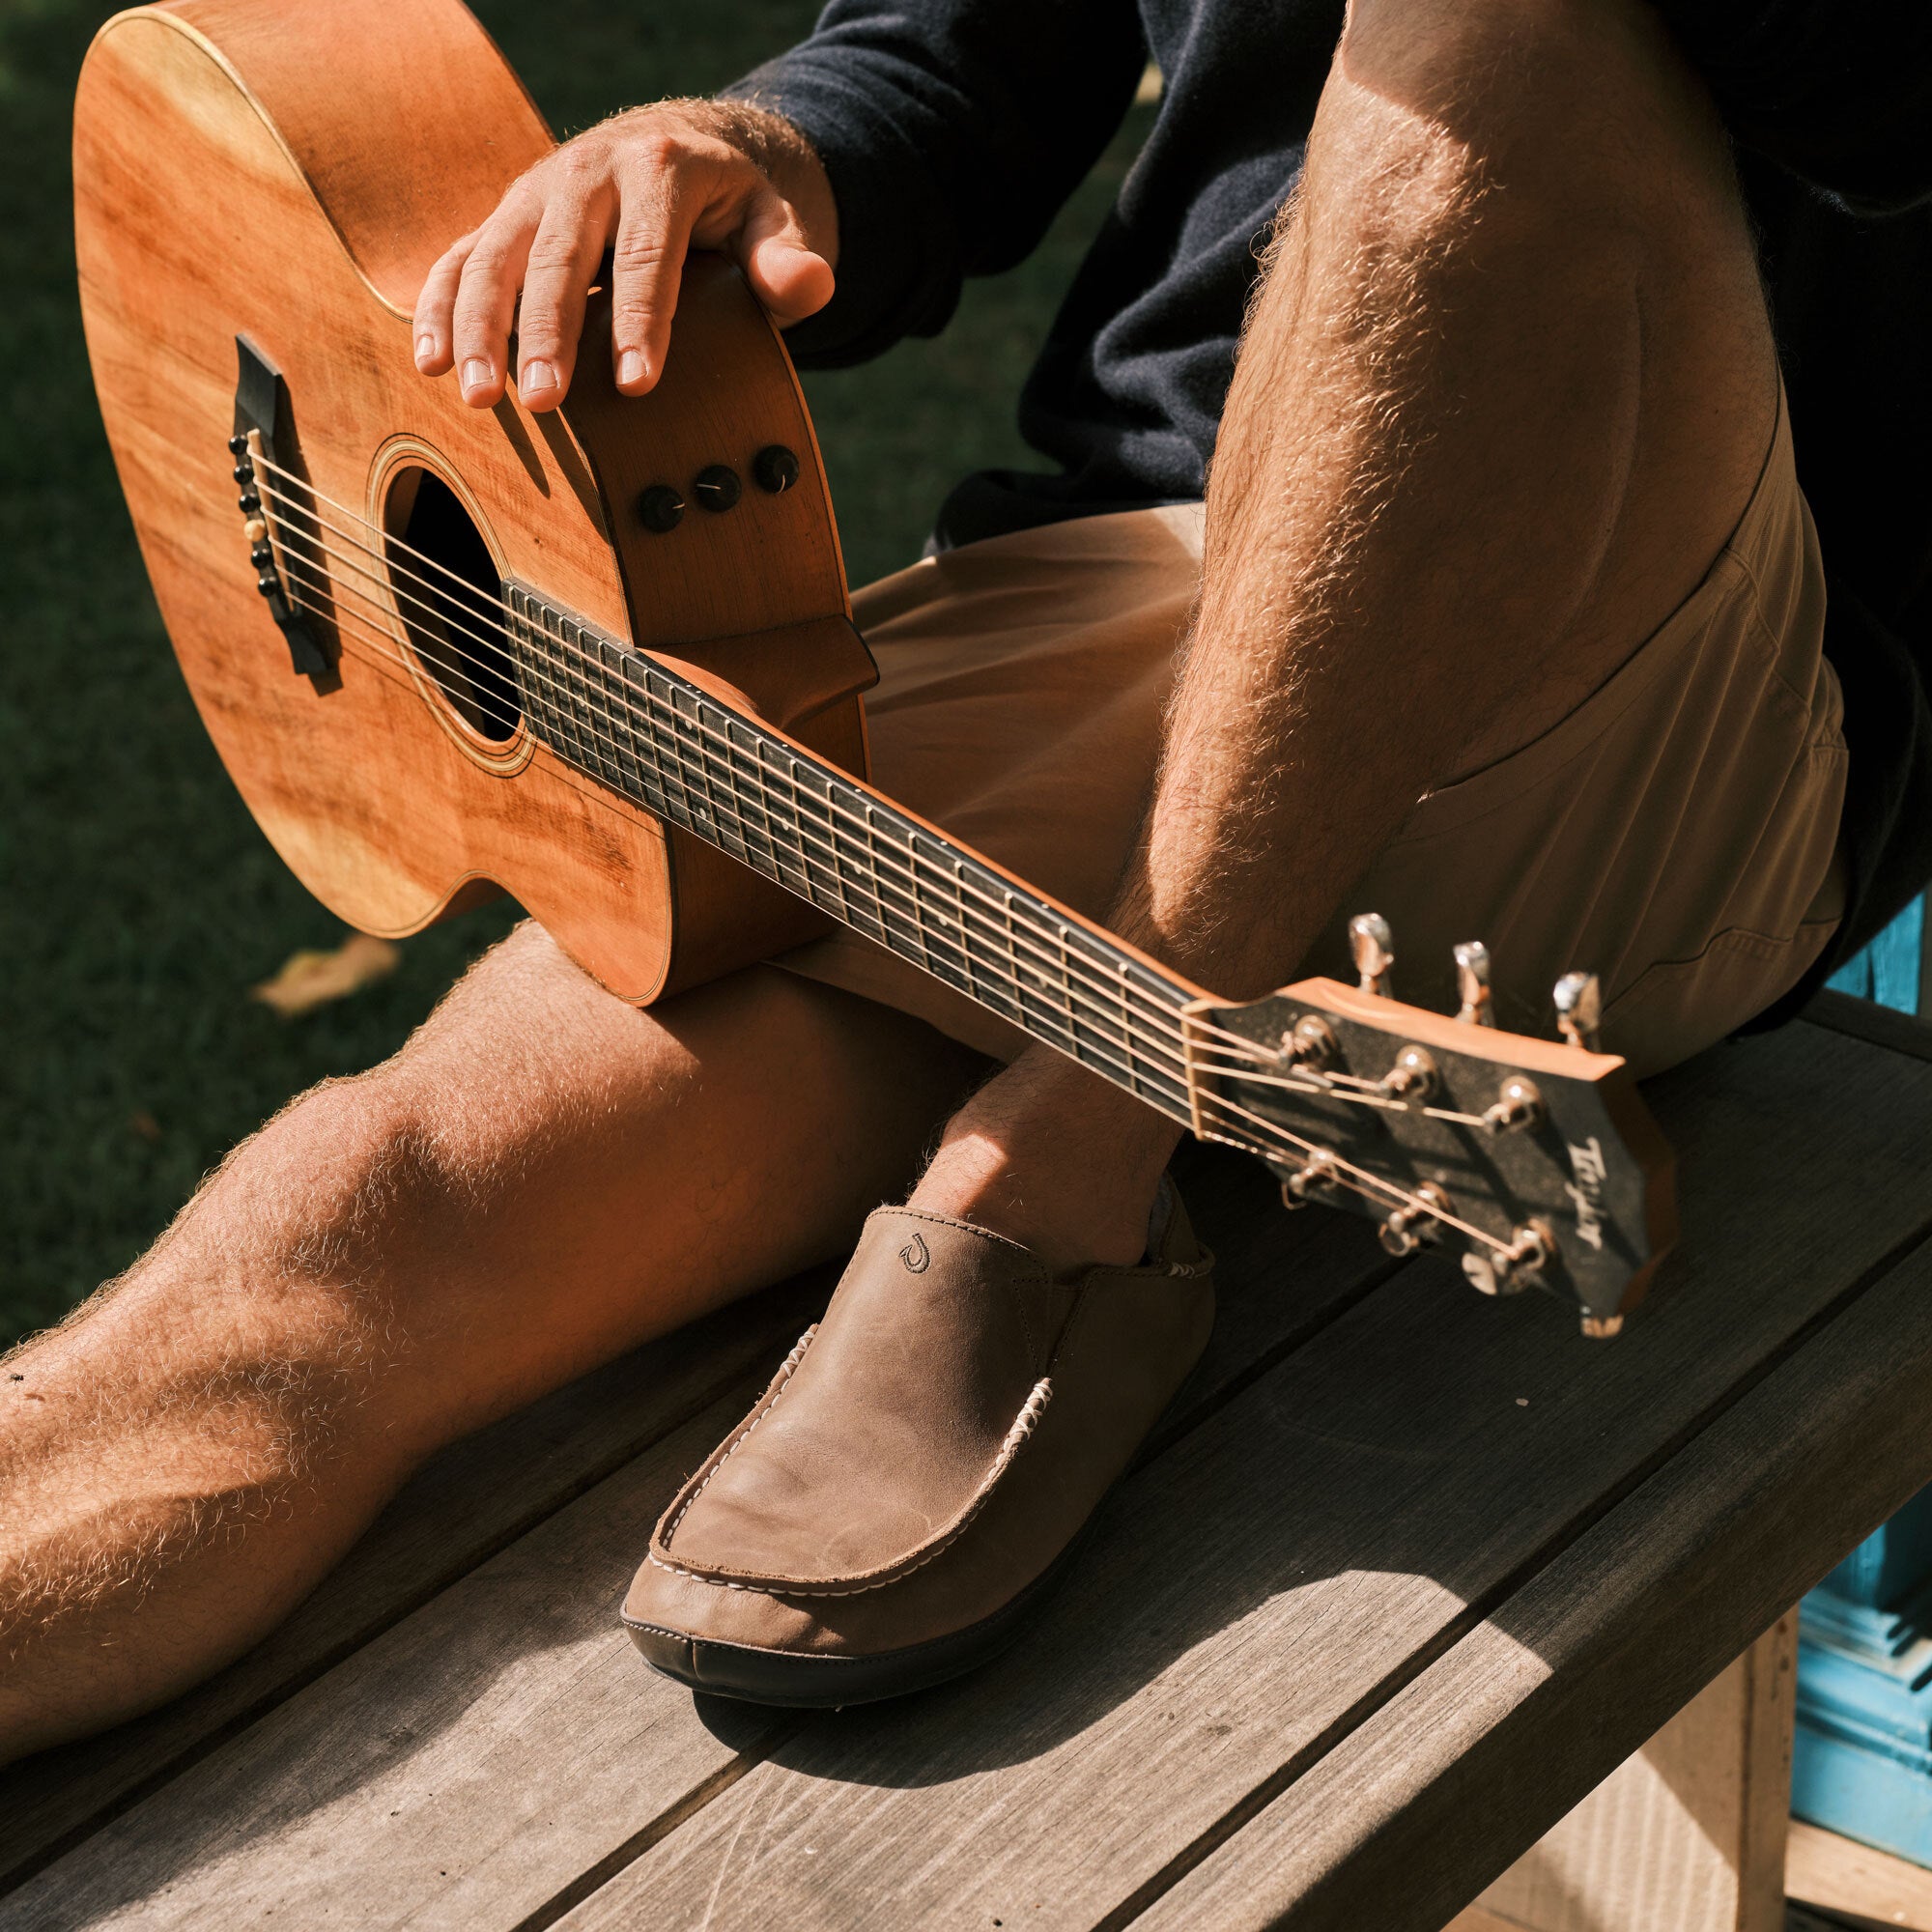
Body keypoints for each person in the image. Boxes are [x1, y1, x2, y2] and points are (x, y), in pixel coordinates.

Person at [5, 0, 1929, 1744]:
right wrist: (762, 148)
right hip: (1141, 590)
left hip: (1677, 672)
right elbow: (961, 57)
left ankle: (1082, 1141)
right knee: (348, 1235)